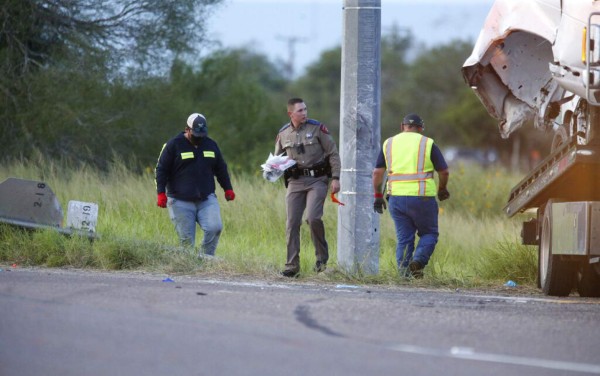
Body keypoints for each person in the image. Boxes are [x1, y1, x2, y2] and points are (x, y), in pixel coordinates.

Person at [372, 113, 450, 278]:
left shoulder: (389, 143)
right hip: (422, 197)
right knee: (429, 233)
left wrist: (378, 195)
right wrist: (442, 189)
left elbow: (377, 173)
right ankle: (419, 261)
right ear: (421, 128)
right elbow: (444, 171)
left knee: (404, 240)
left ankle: (403, 276)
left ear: (402, 127)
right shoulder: (427, 143)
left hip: (396, 199)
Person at [274, 98, 341, 277]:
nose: (304, 113)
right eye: (300, 111)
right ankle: (291, 266)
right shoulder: (283, 133)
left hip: (317, 180)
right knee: (292, 223)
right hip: (295, 182)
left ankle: (321, 259)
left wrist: (335, 178)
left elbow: (333, 153)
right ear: (291, 114)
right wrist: (273, 168)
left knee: (313, 218)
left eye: (305, 109)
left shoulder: (317, 128)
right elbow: (277, 159)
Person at [155, 113, 235, 257]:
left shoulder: (211, 144)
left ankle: (205, 258)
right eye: (196, 134)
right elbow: (161, 170)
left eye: (202, 134)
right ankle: (190, 266)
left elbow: (221, 168)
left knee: (215, 227)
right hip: (179, 200)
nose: (199, 138)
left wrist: (228, 188)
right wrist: (161, 193)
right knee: (187, 242)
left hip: (206, 198)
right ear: (187, 129)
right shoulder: (173, 145)